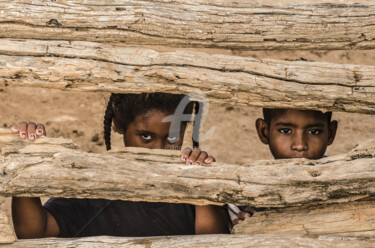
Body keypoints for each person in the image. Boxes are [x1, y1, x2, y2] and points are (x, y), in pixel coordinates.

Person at [11, 93, 229, 238]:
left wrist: (201, 185)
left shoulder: (191, 187)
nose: (159, 149)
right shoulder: (90, 188)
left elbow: (210, 240)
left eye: (173, 138)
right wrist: (28, 162)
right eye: (145, 136)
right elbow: (34, 231)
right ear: (119, 126)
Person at [230, 108, 338, 225]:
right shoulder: (247, 191)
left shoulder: (346, 182)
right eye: (286, 131)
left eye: (314, 132)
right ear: (264, 131)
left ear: (330, 133)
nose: (300, 145)